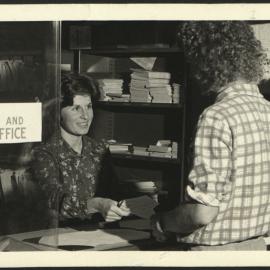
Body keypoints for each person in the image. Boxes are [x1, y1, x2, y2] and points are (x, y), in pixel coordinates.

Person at [151, 21, 270, 250]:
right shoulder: (267, 110)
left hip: (213, 253)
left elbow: (201, 214)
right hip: (256, 248)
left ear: (205, 64)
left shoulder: (217, 116)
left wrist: (162, 222)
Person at [31, 73, 130, 224]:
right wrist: (97, 204)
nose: (85, 116)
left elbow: (115, 193)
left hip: (99, 235)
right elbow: (55, 201)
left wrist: (123, 206)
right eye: (76, 108)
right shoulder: (43, 152)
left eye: (88, 107)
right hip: (58, 237)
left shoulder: (98, 149)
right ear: (58, 113)